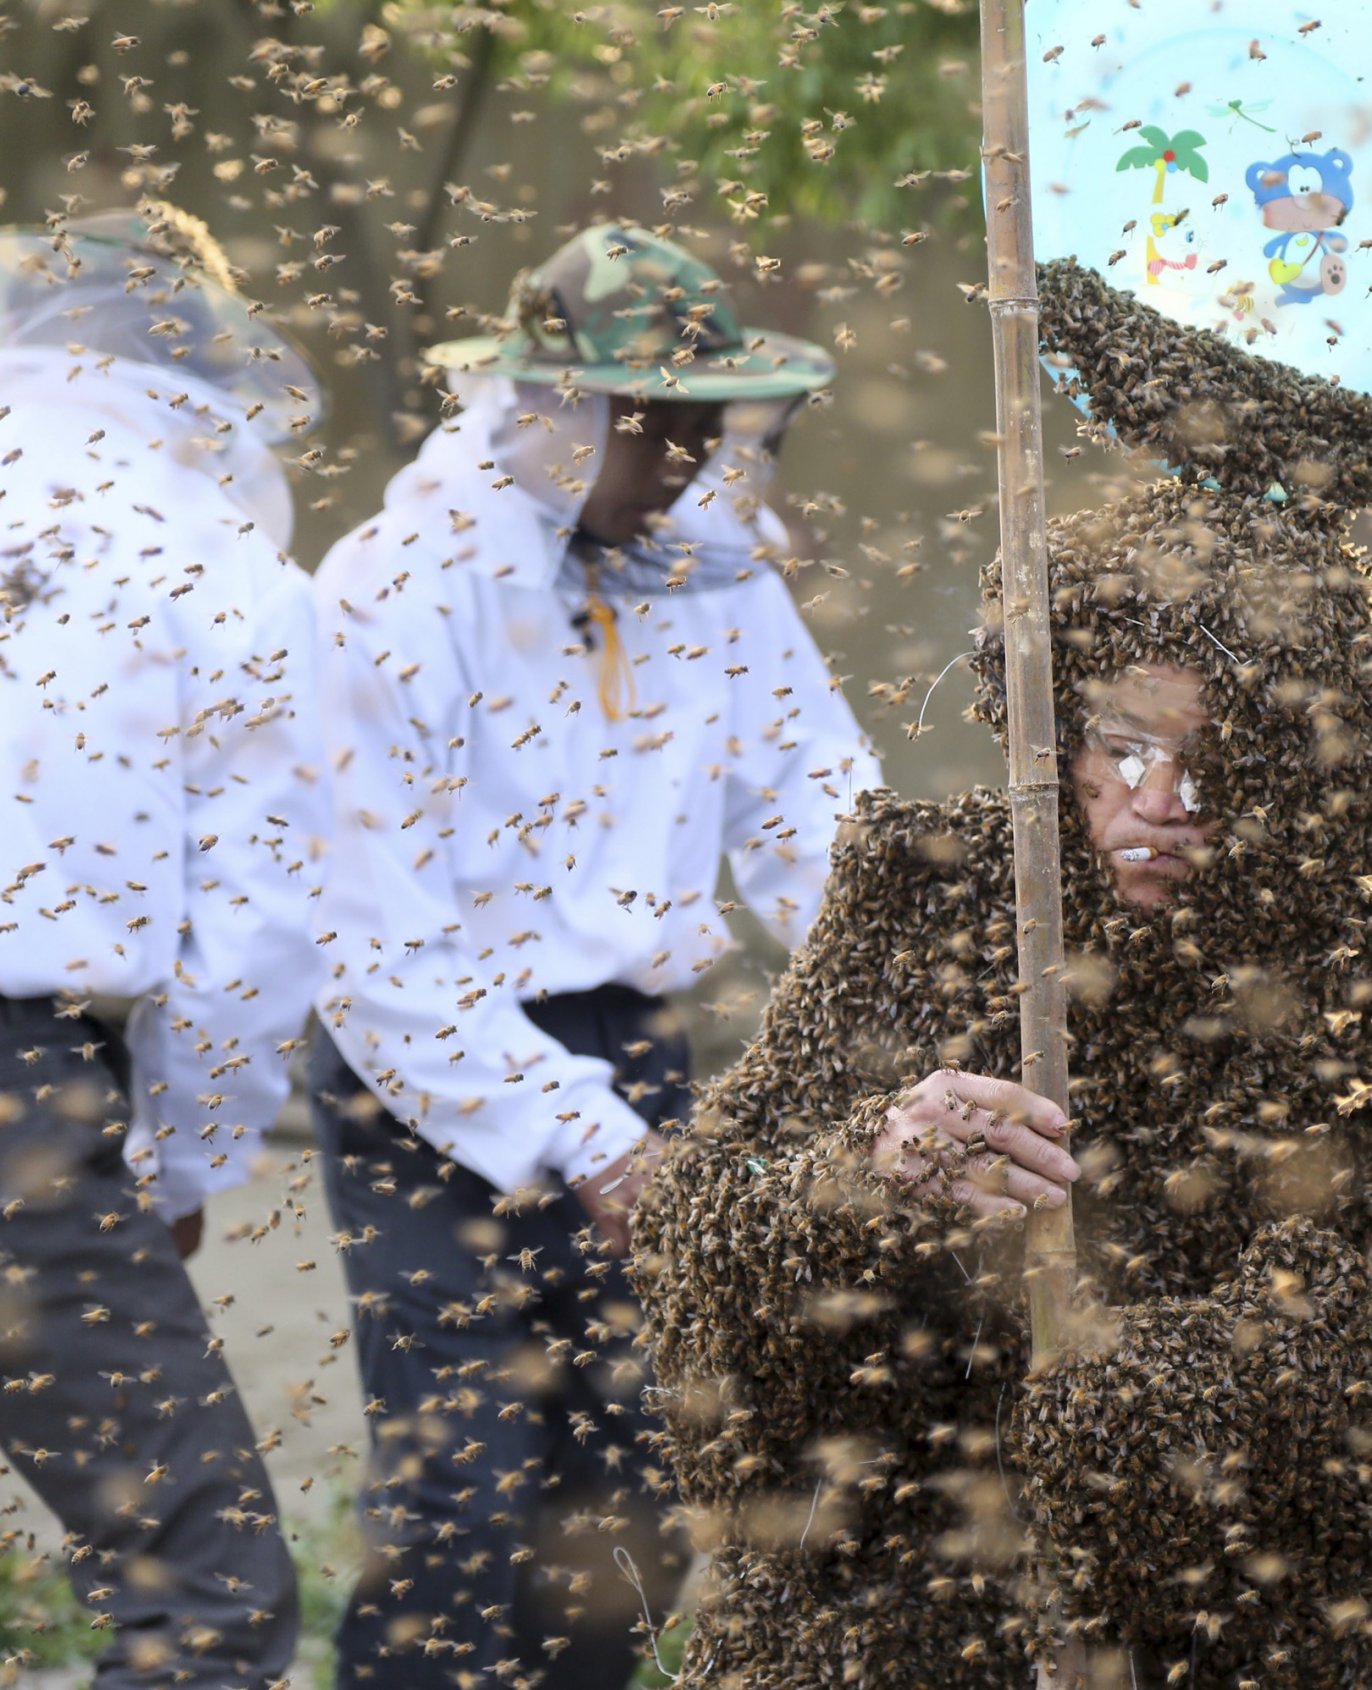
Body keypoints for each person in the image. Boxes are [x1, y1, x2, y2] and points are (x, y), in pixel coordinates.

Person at [630, 260, 1372, 1690]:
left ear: (1314, 754)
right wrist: (865, 1180)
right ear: (1051, 723)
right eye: (1121, 746)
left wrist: (1186, 1399)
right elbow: (710, 1241)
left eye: (1226, 758)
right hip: (963, 1586)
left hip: (1317, 1597)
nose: (1162, 800)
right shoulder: (933, 889)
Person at [306, 222, 879, 1689]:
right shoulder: (392, 592)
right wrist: (596, 1143)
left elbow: (819, 813)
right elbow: (375, 944)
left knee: (630, 1482)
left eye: (708, 421)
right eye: (660, 423)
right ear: (557, 410)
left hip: (633, 1042)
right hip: (424, 1078)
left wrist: (902, 1006)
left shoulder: (720, 576)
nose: (692, 455)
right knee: (460, 1485)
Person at [0, 205, 322, 1686]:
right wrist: (181, 1171)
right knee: (202, 1586)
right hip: (16, 1079)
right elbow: (249, 946)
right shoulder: (225, 568)